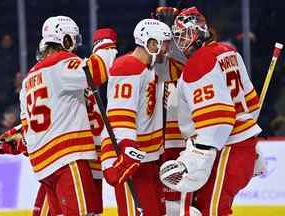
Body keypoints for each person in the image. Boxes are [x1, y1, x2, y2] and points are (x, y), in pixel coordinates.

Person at [160, 7, 262, 216]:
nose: (180, 43)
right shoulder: (228, 52)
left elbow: (217, 119)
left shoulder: (199, 63)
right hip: (241, 146)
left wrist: (199, 155)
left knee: (214, 211)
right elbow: (252, 103)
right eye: (177, 37)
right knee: (210, 206)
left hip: (228, 148)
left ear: (197, 33)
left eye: (183, 36)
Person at [19, 16, 117, 216]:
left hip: (43, 166)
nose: (74, 48)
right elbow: (96, 71)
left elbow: (25, 126)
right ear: (65, 40)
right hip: (67, 157)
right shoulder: (61, 63)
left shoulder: (27, 80)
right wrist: (106, 43)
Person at [100, 18, 174, 215]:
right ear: (151, 43)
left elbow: (182, 63)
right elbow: (120, 116)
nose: (167, 49)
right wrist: (127, 150)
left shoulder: (153, 66)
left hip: (149, 158)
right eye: (164, 43)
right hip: (131, 159)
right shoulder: (127, 67)